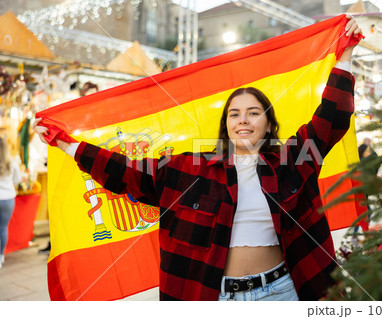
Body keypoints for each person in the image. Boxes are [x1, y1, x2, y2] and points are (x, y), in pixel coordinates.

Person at [33, 16, 362, 301]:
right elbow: (127, 173)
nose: (243, 120)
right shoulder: (190, 170)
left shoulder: (293, 161)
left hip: (283, 292)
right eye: (235, 114)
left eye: (253, 113)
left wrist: (345, 52)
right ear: (226, 126)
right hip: (216, 296)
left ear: (268, 124)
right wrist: (68, 145)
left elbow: (331, 119)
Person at [0, 137, 22, 269]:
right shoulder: (12, 163)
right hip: (8, 199)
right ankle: (1, 256)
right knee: (3, 228)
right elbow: (17, 180)